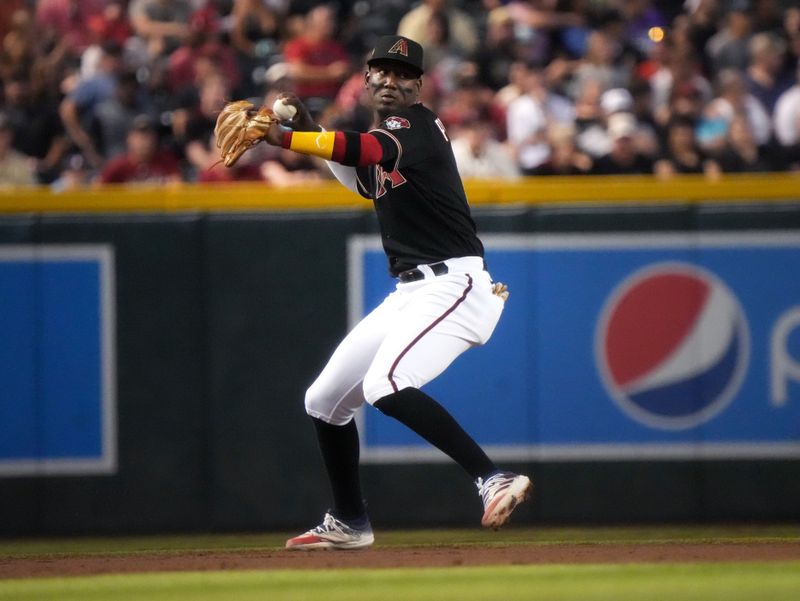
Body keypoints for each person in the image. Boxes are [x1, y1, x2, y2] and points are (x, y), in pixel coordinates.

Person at [258, 35, 532, 549]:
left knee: (385, 385)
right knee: (322, 400)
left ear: (418, 86)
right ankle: (350, 521)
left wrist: (287, 138)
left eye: (402, 74)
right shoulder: (386, 137)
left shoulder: (417, 126)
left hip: (453, 284)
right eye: (380, 72)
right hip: (413, 290)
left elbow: (369, 150)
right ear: (365, 80)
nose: (389, 80)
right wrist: (308, 130)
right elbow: (363, 178)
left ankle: (491, 478)